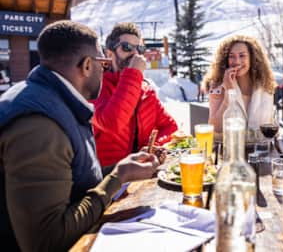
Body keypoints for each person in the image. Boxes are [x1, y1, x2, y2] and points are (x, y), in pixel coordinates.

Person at [0, 21, 163, 251]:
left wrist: (120, 168)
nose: (104, 69)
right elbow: (47, 241)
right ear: (87, 65)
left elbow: (74, 178)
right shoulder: (40, 125)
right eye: (101, 62)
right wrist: (116, 178)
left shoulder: (52, 99)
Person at [92, 22, 178, 166]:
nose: (135, 54)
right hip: (109, 179)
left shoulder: (146, 90)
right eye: (127, 47)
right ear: (109, 53)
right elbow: (113, 123)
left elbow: (170, 127)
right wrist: (133, 73)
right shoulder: (96, 87)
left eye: (139, 49)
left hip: (141, 176)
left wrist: (152, 147)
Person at [202, 35, 276, 132]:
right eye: (231, 56)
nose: (237, 61)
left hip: (260, 145)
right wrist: (229, 92)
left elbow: (270, 124)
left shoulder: (265, 85)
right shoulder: (217, 87)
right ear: (225, 60)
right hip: (230, 145)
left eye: (242, 55)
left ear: (252, 58)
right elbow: (216, 128)